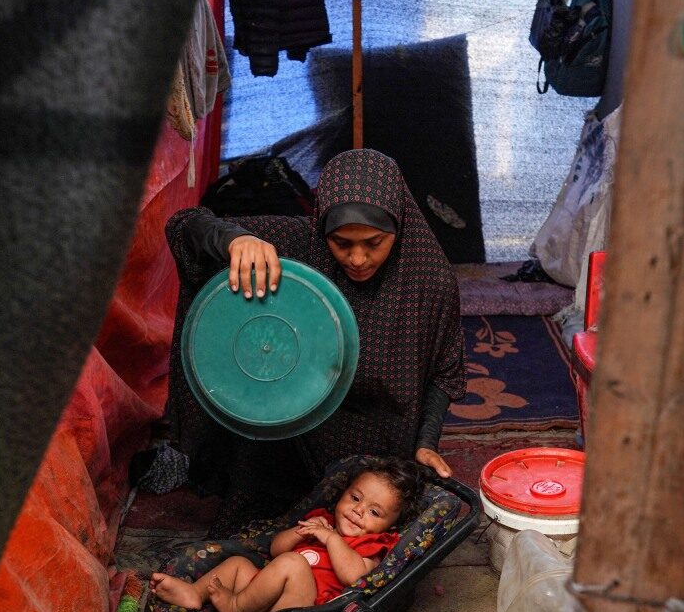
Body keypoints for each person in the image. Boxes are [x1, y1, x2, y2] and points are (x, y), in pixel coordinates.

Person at [166, 149, 464, 536]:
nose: (357, 258)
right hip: (291, 430)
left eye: (374, 243)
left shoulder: (429, 280)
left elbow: (445, 371)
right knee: (256, 541)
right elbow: (183, 225)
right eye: (341, 243)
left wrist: (426, 442)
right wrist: (233, 240)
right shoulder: (301, 245)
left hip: (376, 443)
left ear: (400, 225)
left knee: (367, 542)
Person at [149, 457, 422, 612]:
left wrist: (331, 540)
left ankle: (236, 610)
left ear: (389, 525)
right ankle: (194, 593)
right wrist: (300, 532)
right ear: (343, 494)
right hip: (265, 592)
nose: (358, 511)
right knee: (238, 564)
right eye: (355, 498)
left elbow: (355, 577)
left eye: (374, 512)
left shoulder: (372, 545)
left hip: (304, 609)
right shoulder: (321, 520)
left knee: (294, 564)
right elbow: (276, 550)